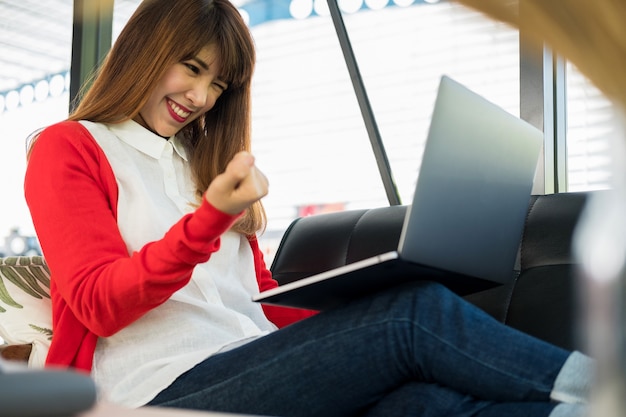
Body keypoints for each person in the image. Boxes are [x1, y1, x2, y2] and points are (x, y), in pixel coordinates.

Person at [24, 0, 592, 416]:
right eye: (192, 69)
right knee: (413, 313)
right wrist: (208, 220)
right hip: (155, 390)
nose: (201, 99)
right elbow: (100, 304)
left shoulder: (202, 165)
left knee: (421, 403)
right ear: (145, 52)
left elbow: (260, 306)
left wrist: (356, 309)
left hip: (251, 363)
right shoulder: (71, 147)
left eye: (219, 85)